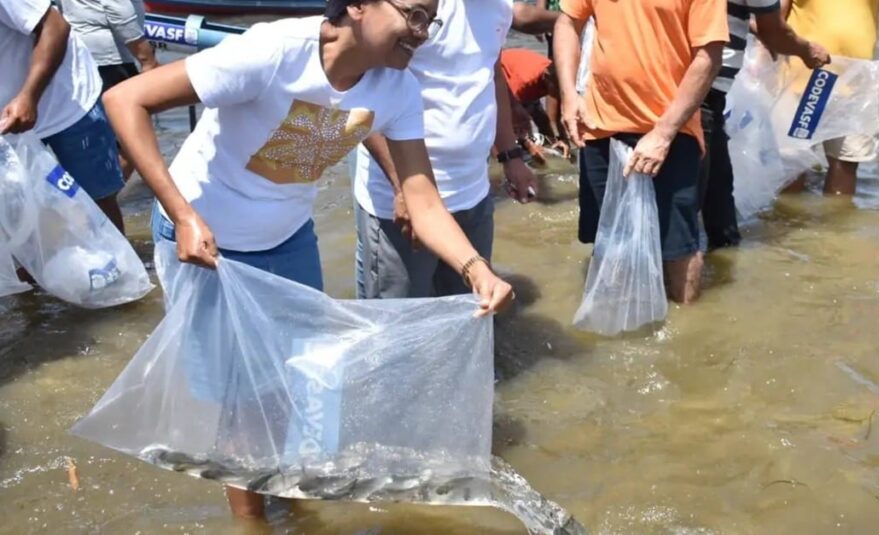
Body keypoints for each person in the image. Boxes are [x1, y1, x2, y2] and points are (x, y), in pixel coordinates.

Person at [101, 0, 515, 520]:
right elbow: (124, 100)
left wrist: (476, 269)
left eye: (430, 21)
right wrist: (182, 214)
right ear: (360, 6)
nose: (423, 33)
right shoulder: (273, 51)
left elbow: (423, 198)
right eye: (413, 15)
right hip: (209, 248)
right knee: (238, 404)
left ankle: (289, 505)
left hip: (288, 237)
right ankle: (253, 522)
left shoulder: (397, 88)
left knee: (291, 388)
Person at [352, 0, 539, 300]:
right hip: (400, 202)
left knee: (470, 312)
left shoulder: (499, 7)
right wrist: (403, 188)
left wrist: (510, 155)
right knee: (398, 328)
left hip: (473, 196)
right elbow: (361, 91)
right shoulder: (414, 6)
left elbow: (492, 76)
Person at [554, 0, 728, 304]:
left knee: (678, 247)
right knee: (609, 239)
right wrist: (569, 94)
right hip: (600, 125)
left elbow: (709, 56)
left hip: (671, 131)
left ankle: (684, 336)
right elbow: (567, 22)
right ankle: (617, 329)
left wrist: (663, 133)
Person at [700, 0, 831, 250]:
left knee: (713, 204)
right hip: (705, 88)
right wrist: (805, 50)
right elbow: (774, 30)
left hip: (656, 80)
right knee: (698, 210)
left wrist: (749, 26)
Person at [0, 0, 126, 231]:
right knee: (16, 215)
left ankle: (117, 266)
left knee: (97, 202)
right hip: (9, 121)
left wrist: (29, 96)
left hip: (68, 102)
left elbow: (55, 26)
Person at [781, 0, 879, 195]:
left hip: (855, 85)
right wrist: (760, 59)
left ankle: (836, 224)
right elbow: (775, 17)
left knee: (846, 162)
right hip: (800, 80)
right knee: (791, 161)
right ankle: (786, 222)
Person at [60, 0, 159, 180]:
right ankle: (100, 203)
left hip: (78, 53)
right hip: (110, 59)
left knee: (96, 143)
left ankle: (88, 200)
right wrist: (147, 58)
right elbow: (119, 11)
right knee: (134, 144)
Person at [498, 47, 570, 163]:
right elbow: (512, 117)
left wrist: (562, 138)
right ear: (547, 78)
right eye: (557, 89)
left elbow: (554, 116)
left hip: (530, 83)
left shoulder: (557, 78)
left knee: (542, 120)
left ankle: (552, 149)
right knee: (516, 124)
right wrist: (527, 143)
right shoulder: (524, 82)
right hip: (503, 81)